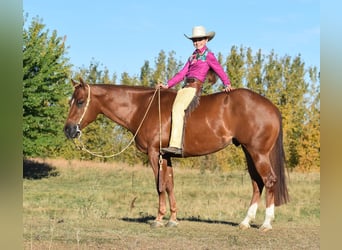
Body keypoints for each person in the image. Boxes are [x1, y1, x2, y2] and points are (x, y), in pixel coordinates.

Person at [157, 25, 232, 156]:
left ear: (206, 40)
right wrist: (167, 85)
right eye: (194, 40)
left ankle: (175, 145)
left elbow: (218, 69)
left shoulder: (209, 55)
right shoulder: (192, 56)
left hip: (194, 88)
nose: (196, 42)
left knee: (178, 109)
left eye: (199, 39)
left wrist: (227, 83)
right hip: (184, 88)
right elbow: (181, 74)